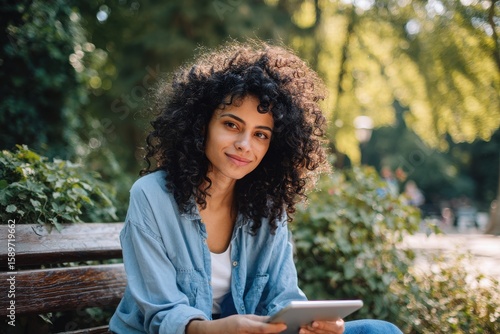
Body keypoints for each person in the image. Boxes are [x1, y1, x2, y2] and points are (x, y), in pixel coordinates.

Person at [109, 40, 403, 334]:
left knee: (379, 331)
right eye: (231, 125)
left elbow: (282, 298)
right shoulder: (151, 196)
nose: (244, 145)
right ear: (202, 125)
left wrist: (308, 326)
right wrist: (217, 329)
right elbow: (162, 314)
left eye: (261, 134)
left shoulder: (267, 206)